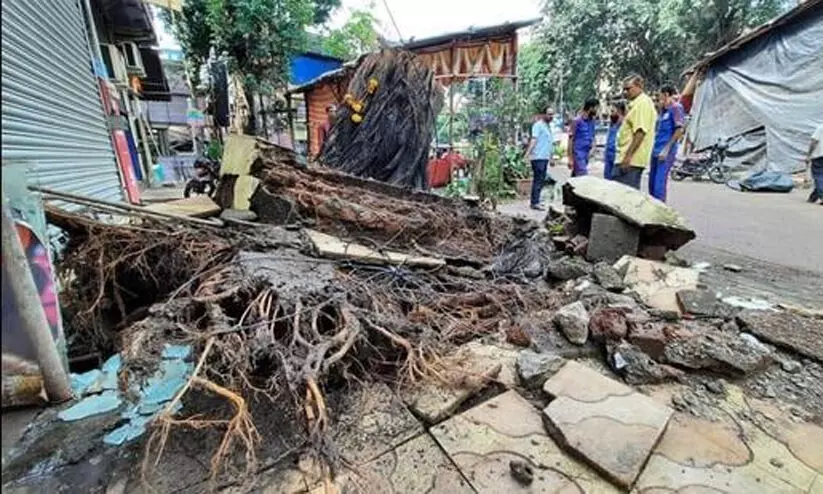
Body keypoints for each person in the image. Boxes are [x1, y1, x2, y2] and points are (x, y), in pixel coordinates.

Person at [614, 75, 657, 190]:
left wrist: (628, 157)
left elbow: (640, 132)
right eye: (624, 89)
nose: (625, 92)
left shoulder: (642, 103)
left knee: (624, 196)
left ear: (639, 86)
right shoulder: (635, 104)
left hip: (631, 160)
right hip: (627, 158)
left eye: (628, 89)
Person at [649, 85, 686, 202]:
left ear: (666, 95)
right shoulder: (663, 111)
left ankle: (659, 212)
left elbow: (679, 129)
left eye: (659, 98)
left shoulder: (676, 108)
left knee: (659, 185)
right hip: (656, 150)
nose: (658, 101)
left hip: (666, 151)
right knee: (651, 183)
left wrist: (666, 149)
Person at [524, 108, 556, 210]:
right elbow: (534, 139)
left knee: (541, 180)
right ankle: (534, 202)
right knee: (538, 180)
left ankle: (536, 200)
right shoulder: (538, 125)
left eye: (552, 114)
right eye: (549, 114)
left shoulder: (548, 127)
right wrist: (527, 154)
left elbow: (549, 143)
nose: (551, 116)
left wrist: (551, 158)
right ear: (543, 114)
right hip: (538, 157)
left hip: (544, 157)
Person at [568, 98, 599, 177]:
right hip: (578, 154)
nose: (597, 111)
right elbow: (570, 140)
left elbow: (593, 136)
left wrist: (593, 147)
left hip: (586, 155)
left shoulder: (592, 121)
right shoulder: (576, 121)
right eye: (596, 108)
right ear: (591, 108)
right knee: (583, 176)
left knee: (576, 177)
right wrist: (570, 159)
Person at [604, 102, 626, 180]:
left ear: (619, 112)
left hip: (617, 155)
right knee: (607, 178)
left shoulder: (625, 125)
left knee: (616, 179)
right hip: (609, 153)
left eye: (613, 111)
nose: (611, 114)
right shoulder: (612, 124)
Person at [805, 121, 823, 205]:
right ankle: (813, 197)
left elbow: (814, 142)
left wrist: (808, 155)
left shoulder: (820, 128)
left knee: (818, 176)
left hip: (819, 156)